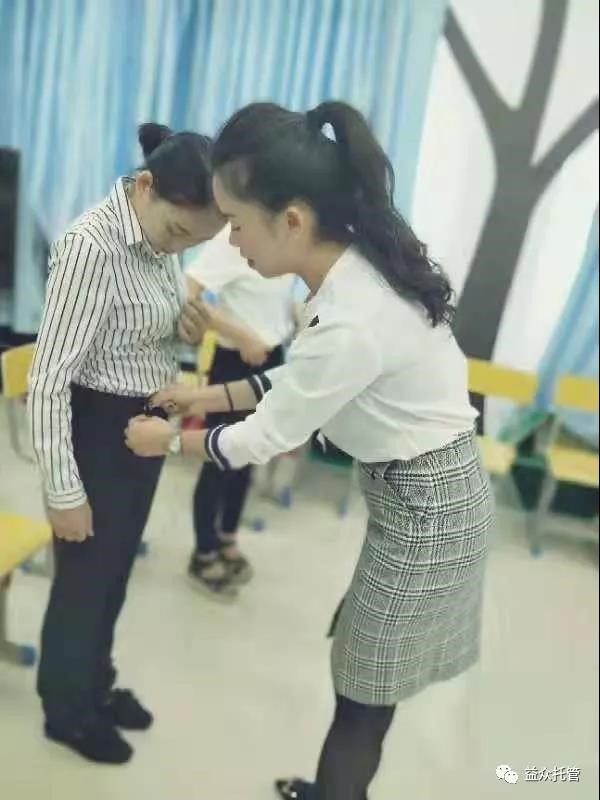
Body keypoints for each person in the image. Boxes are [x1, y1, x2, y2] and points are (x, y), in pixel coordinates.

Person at [125, 101, 493, 800]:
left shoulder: (353, 316)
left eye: (236, 223)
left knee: (363, 692)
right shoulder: (347, 277)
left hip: (432, 514)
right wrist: (203, 396)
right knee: (361, 674)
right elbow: (298, 377)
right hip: (417, 497)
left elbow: (269, 433)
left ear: (291, 221)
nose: (231, 241)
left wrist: (166, 439)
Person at [28, 123, 223, 765]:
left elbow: (134, 332)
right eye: (179, 232)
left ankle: (95, 683)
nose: (180, 248)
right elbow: (49, 379)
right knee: (84, 579)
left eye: (195, 242)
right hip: (97, 428)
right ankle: (66, 710)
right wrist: (63, 490)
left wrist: (185, 329)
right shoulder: (91, 247)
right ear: (145, 187)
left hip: (143, 423)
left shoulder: (159, 236)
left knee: (113, 571)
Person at [182, 227, 299, 599]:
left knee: (250, 454)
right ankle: (203, 553)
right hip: (235, 360)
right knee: (220, 457)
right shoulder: (233, 238)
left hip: (272, 358)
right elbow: (186, 293)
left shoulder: (286, 237)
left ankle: (227, 536)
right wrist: (239, 334)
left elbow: (276, 298)